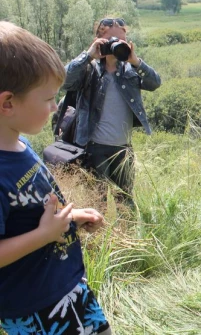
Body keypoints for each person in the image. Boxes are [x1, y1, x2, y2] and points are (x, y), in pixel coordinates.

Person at [0, 21, 109, 333]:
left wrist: (70, 217)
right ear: (8, 103)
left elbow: (29, 211)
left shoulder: (20, 144)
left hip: (66, 286)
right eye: (48, 99)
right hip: (35, 309)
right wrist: (45, 235)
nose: (54, 107)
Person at [63, 17, 161, 199]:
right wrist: (88, 55)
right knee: (96, 202)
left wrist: (136, 61)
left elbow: (155, 83)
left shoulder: (130, 71)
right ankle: (102, 230)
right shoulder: (89, 69)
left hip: (123, 149)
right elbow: (63, 79)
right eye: (112, 40)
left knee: (126, 203)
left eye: (122, 40)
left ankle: (127, 229)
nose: (118, 45)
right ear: (99, 41)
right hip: (94, 148)